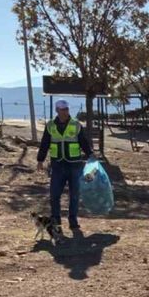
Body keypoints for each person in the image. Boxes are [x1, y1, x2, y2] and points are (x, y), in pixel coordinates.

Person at [36, 100, 94, 236]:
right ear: (57, 110)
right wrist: (40, 159)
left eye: (66, 109)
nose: (65, 112)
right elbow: (45, 143)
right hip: (57, 165)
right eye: (62, 109)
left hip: (75, 165)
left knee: (74, 194)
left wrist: (91, 154)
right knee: (54, 195)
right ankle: (56, 220)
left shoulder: (76, 124)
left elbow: (83, 141)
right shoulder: (50, 125)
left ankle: (73, 220)